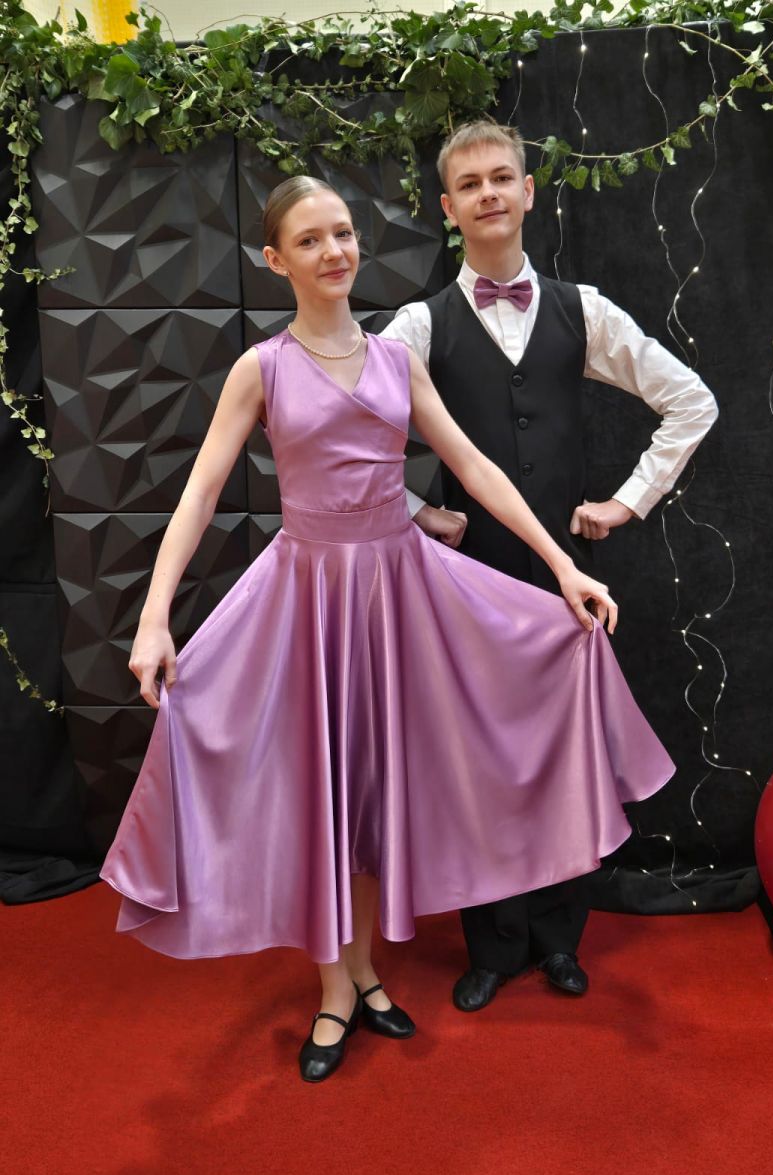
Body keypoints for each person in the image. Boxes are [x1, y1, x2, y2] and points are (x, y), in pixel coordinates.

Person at [99, 175, 676, 1084]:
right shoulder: (261, 368)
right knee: (324, 795)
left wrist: (562, 566)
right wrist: (153, 619)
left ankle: (365, 974)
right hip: (307, 603)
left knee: (370, 795)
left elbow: (474, 466)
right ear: (275, 260)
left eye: (342, 233)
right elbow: (200, 493)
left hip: (399, 595)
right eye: (310, 240)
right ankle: (337, 989)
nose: (334, 251)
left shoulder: (397, 360)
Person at [383, 119, 718, 1013]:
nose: (489, 193)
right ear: (448, 208)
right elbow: (346, 435)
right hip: (469, 590)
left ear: (528, 192)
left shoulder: (584, 310)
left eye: (503, 177)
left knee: (568, 759)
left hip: (569, 582)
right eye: (470, 184)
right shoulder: (418, 327)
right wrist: (418, 513)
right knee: (479, 763)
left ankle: (561, 940)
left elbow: (690, 401)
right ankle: (492, 946)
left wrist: (626, 502)